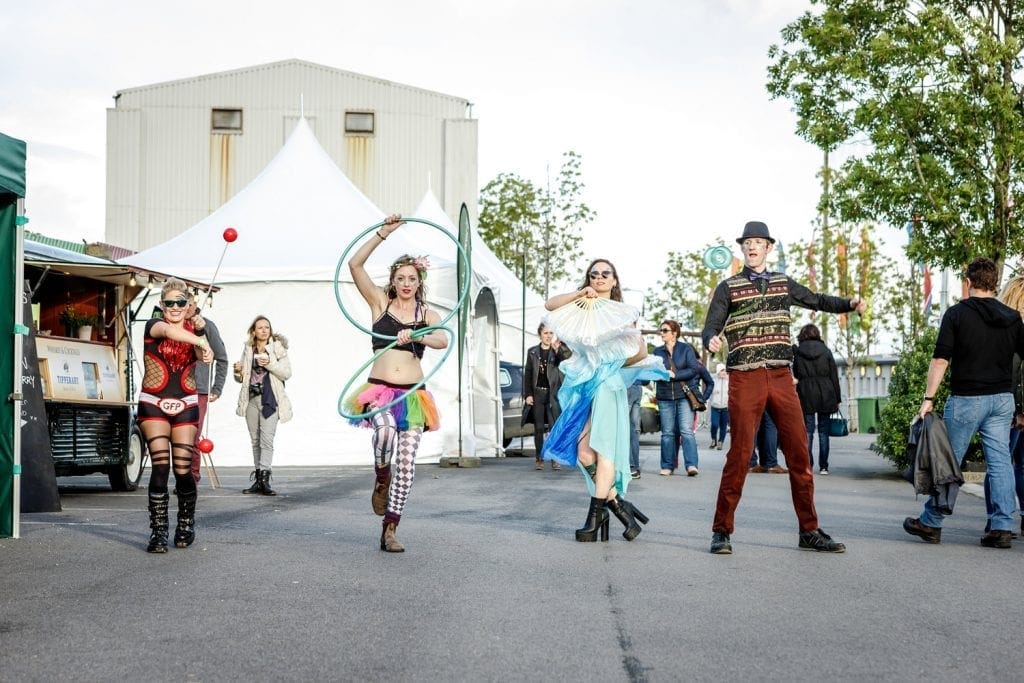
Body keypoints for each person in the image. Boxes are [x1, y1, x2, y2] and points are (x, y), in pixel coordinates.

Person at [702, 221, 864, 554]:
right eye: (748, 242)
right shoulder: (728, 287)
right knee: (740, 454)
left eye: (758, 242)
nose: (752, 247)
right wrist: (712, 339)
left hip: (779, 375)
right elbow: (711, 328)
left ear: (769, 248)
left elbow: (816, 300)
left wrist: (848, 304)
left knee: (799, 454)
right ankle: (722, 530)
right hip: (745, 376)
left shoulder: (782, 283)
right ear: (743, 248)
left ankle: (809, 530)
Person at [542, 259, 668, 542]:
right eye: (594, 273)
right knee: (583, 451)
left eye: (605, 274)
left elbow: (639, 350)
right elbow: (550, 305)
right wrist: (578, 294)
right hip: (585, 385)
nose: (599, 277)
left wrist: (611, 362)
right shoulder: (580, 310)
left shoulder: (622, 313)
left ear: (614, 281)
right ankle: (618, 505)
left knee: (604, 450)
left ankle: (596, 516)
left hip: (608, 385)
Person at [343, 214, 448, 553]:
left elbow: (442, 340)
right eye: (401, 277)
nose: (406, 283)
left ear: (419, 282)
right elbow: (355, 265)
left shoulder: (426, 314)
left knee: (408, 463)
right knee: (384, 431)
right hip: (380, 389)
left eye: (412, 278)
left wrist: (418, 335)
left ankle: (390, 527)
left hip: (414, 396)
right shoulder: (380, 304)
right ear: (392, 280)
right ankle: (380, 475)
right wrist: (382, 234)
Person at [904, 257, 1024, 549]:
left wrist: (928, 399)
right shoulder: (1013, 318)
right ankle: (1002, 527)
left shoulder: (956, 314)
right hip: (1002, 401)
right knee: (1000, 464)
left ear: (968, 282)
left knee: (948, 461)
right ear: (994, 284)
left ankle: (931, 522)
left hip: (967, 400)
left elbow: (941, 359)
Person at [138, 278, 214, 553]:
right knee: (160, 465)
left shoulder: (196, 329)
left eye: (180, 302)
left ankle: (185, 522)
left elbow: (204, 355)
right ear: (161, 305)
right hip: (154, 403)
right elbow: (168, 333)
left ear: (188, 305)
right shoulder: (153, 325)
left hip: (185, 402)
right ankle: (158, 532)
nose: (174, 307)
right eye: (169, 302)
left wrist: (203, 338)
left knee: (182, 468)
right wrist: (197, 337)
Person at [232, 315, 293, 496]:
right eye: (260, 327)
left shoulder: (277, 347)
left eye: (267, 327)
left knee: (267, 439)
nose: (264, 330)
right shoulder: (248, 348)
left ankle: (265, 479)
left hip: (270, 399)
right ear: (254, 331)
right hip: (251, 398)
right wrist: (238, 371)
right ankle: (258, 479)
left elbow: (287, 373)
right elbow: (242, 378)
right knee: (255, 440)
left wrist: (270, 363)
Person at [982, 275, 1024, 537]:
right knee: (1018, 464)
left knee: (998, 463)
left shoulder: (1003, 328)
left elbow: (1015, 371)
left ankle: (995, 518)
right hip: (1013, 404)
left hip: (1003, 403)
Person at [653, 320, 704, 476]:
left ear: (674, 333)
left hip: (683, 395)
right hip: (664, 395)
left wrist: (675, 375)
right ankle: (668, 465)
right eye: (661, 330)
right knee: (667, 432)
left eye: (665, 330)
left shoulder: (686, 349)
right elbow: (653, 371)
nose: (661, 333)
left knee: (686, 431)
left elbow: (693, 369)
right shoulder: (657, 352)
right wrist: (660, 374)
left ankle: (691, 465)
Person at [186, 295, 227, 485]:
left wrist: (217, 388)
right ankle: (181, 476)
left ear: (195, 303)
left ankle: (191, 479)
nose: (184, 307)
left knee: (193, 435)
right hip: (176, 388)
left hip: (199, 389)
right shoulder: (171, 326)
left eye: (188, 303)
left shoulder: (207, 325)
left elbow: (222, 358)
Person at [793, 323, 842, 475]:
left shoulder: (798, 352)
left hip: (806, 392)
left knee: (807, 431)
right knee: (823, 431)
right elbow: (834, 375)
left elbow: (796, 373)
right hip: (826, 392)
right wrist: (837, 397)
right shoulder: (826, 351)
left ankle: (808, 464)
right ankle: (824, 467)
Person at [524, 322, 571, 470]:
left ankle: (554, 458)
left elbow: (566, 363)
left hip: (553, 394)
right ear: (540, 334)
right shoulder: (532, 352)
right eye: (545, 333)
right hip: (538, 393)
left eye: (551, 333)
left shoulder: (558, 350)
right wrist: (528, 394)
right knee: (538, 428)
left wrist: (558, 351)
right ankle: (539, 457)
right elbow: (528, 374)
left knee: (554, 427)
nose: (548, 336)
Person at [708, 363, 729, 450]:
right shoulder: (713, 380)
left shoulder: (728, 381)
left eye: (724, 370)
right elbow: (709, 391)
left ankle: (720, 442)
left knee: (723, 426)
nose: (724, 372)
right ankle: (714, 439)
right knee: (714, 424)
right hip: (715, 407)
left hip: (725, 407)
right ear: (718, 371)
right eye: (721, 370)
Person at [627, 380, 644, 479]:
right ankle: (635, 467)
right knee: (633, 431)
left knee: (624, 429)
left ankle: (629, 466)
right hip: (638, 388)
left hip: (625, 387)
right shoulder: (639, 363)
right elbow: (646, 380)